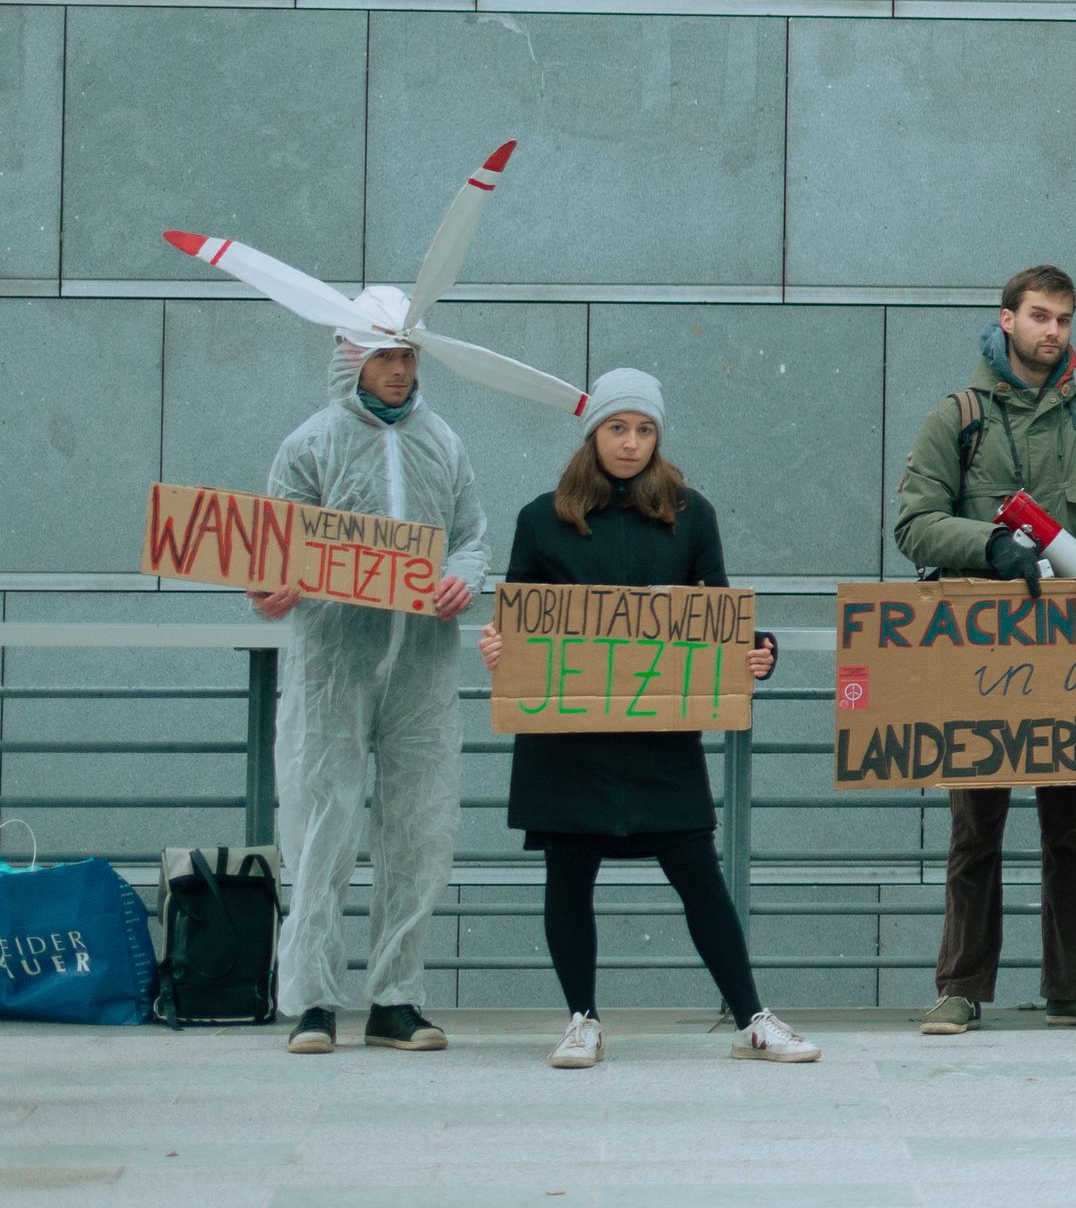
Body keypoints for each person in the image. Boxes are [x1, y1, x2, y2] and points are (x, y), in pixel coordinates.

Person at [477, 370, 811, 1068]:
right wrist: (501, 650)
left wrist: (757, 651)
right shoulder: (542, 519)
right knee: (568, 874)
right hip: (568, 737)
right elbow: (520, 618)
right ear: (593, 432)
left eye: (644, 429)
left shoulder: (692, 514)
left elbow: (717, 614)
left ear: (659, 438)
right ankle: (582, 1019)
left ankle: (751, 1016)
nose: (630, 443)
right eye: (617, 427)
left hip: (659, 736)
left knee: (697, 871)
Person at [892, 264, 1076, 1035]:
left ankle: (1072, 986)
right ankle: (960, 988)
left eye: (1064, 320)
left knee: (1070, 827)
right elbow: (913, 523)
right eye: (1039, 316)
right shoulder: (958, 417)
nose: (1052, 332)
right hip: (981, 652)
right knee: (976, 825)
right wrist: (988, 546)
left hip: (1072, 653)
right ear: (1005, 319)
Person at [249, 329, 486, 1056]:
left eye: (409, 356)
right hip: (333, 665)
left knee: (419, 830)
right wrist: (271, 591)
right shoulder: (310, 445)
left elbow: (472, 535)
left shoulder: (443, 443)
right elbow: (273, 551)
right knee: (321, 828)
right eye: (385, 356)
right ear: (352, 359)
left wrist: (465, 577)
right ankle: (312, 1001)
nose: (399, 370)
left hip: (422, 665)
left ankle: (396, 999)